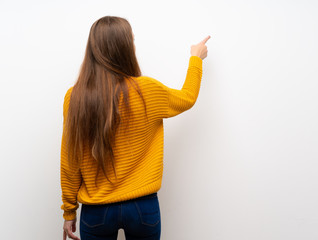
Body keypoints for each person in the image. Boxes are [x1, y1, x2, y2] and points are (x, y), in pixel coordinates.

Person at [60, 16, 210, 240]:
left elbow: (70, 159)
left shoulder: (76, 97)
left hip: (97, 209)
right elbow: (187, 98)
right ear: (126, 47)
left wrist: (69, 210)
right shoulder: (147, 90)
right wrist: (195, 58)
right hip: (143, 207)